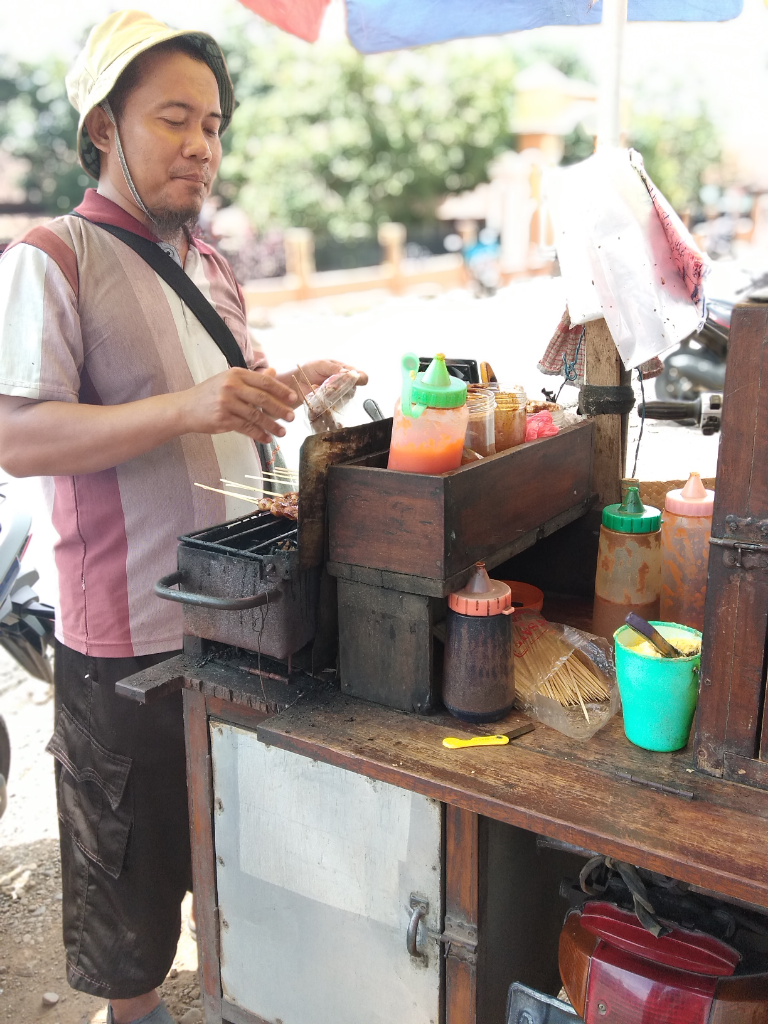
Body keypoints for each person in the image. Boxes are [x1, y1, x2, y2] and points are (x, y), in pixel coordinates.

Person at [0, 12, 366, 1024]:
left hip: (239, 621)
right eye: (173, 119)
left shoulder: (212, 265)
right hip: (127, 644)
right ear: (104, 124)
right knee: (132, 921)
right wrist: (192, 408)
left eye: (212, 124)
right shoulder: (52, 257)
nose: (201, 146)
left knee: (239, 873)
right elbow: (18, 437)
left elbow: (224, 402)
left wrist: (290, 391)